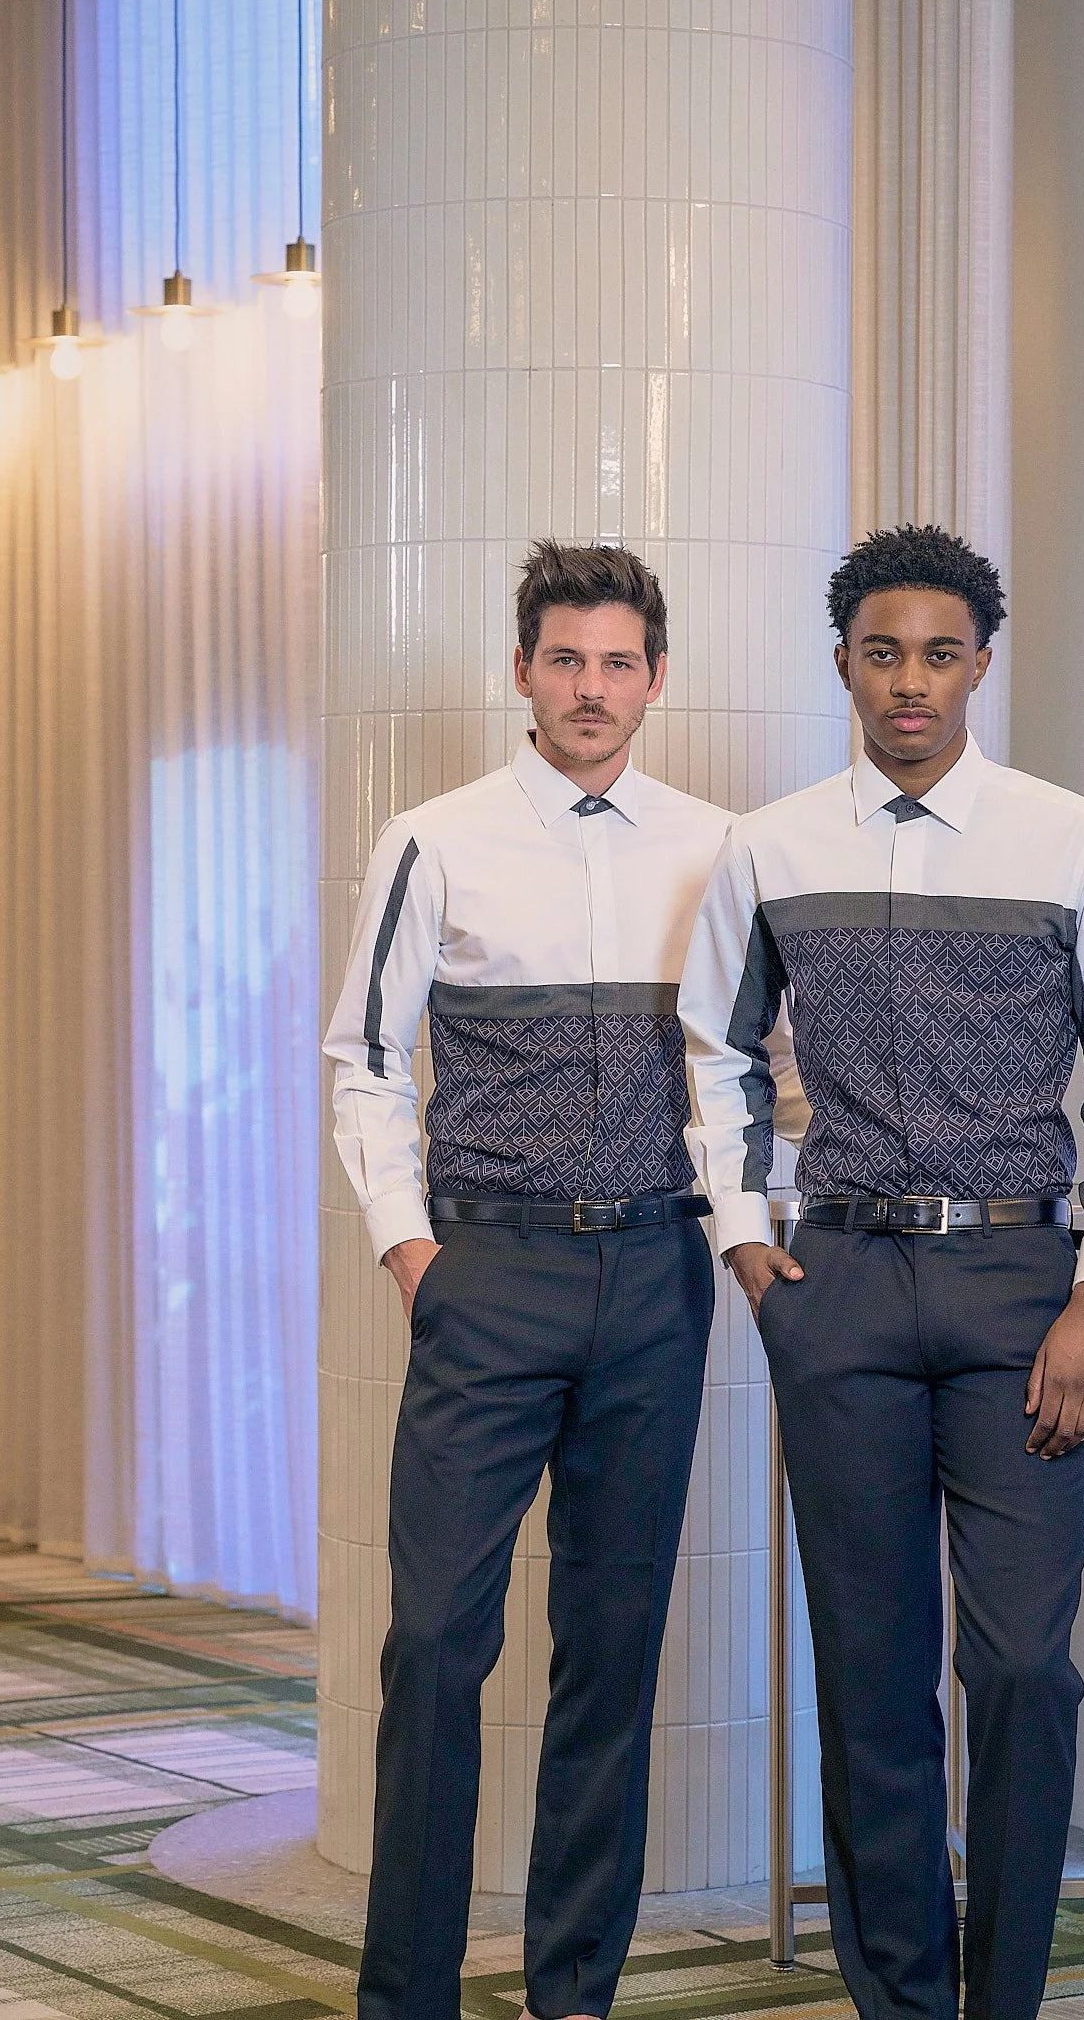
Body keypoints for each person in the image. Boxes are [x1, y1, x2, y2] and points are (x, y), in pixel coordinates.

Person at [679, 524, 1084, 2020]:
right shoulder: (768, 848)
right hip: (839, 1291)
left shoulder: (1073, 840)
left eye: (940, 654)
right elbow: (714, 1052)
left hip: (1028, 1292)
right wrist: (749, 1245)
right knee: (872, 1679)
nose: (911, 682)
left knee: (1024, 1669)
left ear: (980, 666)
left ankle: (1002, 1998)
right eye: (882, 652)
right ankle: (898, 2002)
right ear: (843, 663)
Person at [324, 542, 736, 2020]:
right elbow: (365, 1061)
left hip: (654, 1275)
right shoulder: (432, 839)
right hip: (482, 1272)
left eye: (618, 662)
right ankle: (407, 1998)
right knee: (435, 1641)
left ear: (656, 680)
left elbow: (746, 1076)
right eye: (564, 660)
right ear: (522, 674)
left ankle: (576, 1992)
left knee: (610, 1653)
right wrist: (412, 1253)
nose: (591, 689)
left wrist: (744, 1224)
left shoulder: (714, 845)